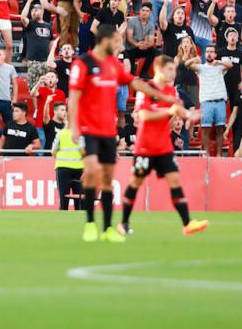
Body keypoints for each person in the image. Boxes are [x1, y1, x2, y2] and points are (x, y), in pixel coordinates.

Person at [69, 24, 180, 243]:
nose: (120, 45)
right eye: (118, 41)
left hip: (109, 131)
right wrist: (73, 126)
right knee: (91, 171)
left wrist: (164, 97)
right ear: (106, 41)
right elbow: (73, 97)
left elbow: (136, 83)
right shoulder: (83, 63)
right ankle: (90, 223)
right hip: (87, 129)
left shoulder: (113, 65)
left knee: (108, 179)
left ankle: (109, 228)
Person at [118, 54, 207, 237]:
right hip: (145, 146)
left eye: (174, 69)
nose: (173, 73)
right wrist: (169, 110)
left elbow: (176, 111)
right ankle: (123, 223)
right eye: (170, 69)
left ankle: (187, 224)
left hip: (164, 146)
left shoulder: (171, 91)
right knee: (136, 182)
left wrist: (189, 115)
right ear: (159, 69)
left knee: (175, 180)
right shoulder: (147, 89)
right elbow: (144, 116)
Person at [186, 46, 233, 156]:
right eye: (207, 52)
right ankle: (207, 154)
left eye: (212, 52)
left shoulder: (220, 67)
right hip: (206, 102)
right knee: (205, 130)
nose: (209, 54)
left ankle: (218, 154)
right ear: (204, 54)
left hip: (220, 101)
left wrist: (219, 61)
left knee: (220, 129)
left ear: (215, 54)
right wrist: (194, 59)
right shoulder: (201, 68)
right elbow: (186, 64)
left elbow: (231, 65)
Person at [50, 108, 83, 210]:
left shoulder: (60, 134)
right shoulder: (81, 134)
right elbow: (85, 152)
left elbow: (53, 151)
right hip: (79, 169)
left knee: (64, 199)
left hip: (63, 169)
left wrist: (61, 159)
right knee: (80, 201)